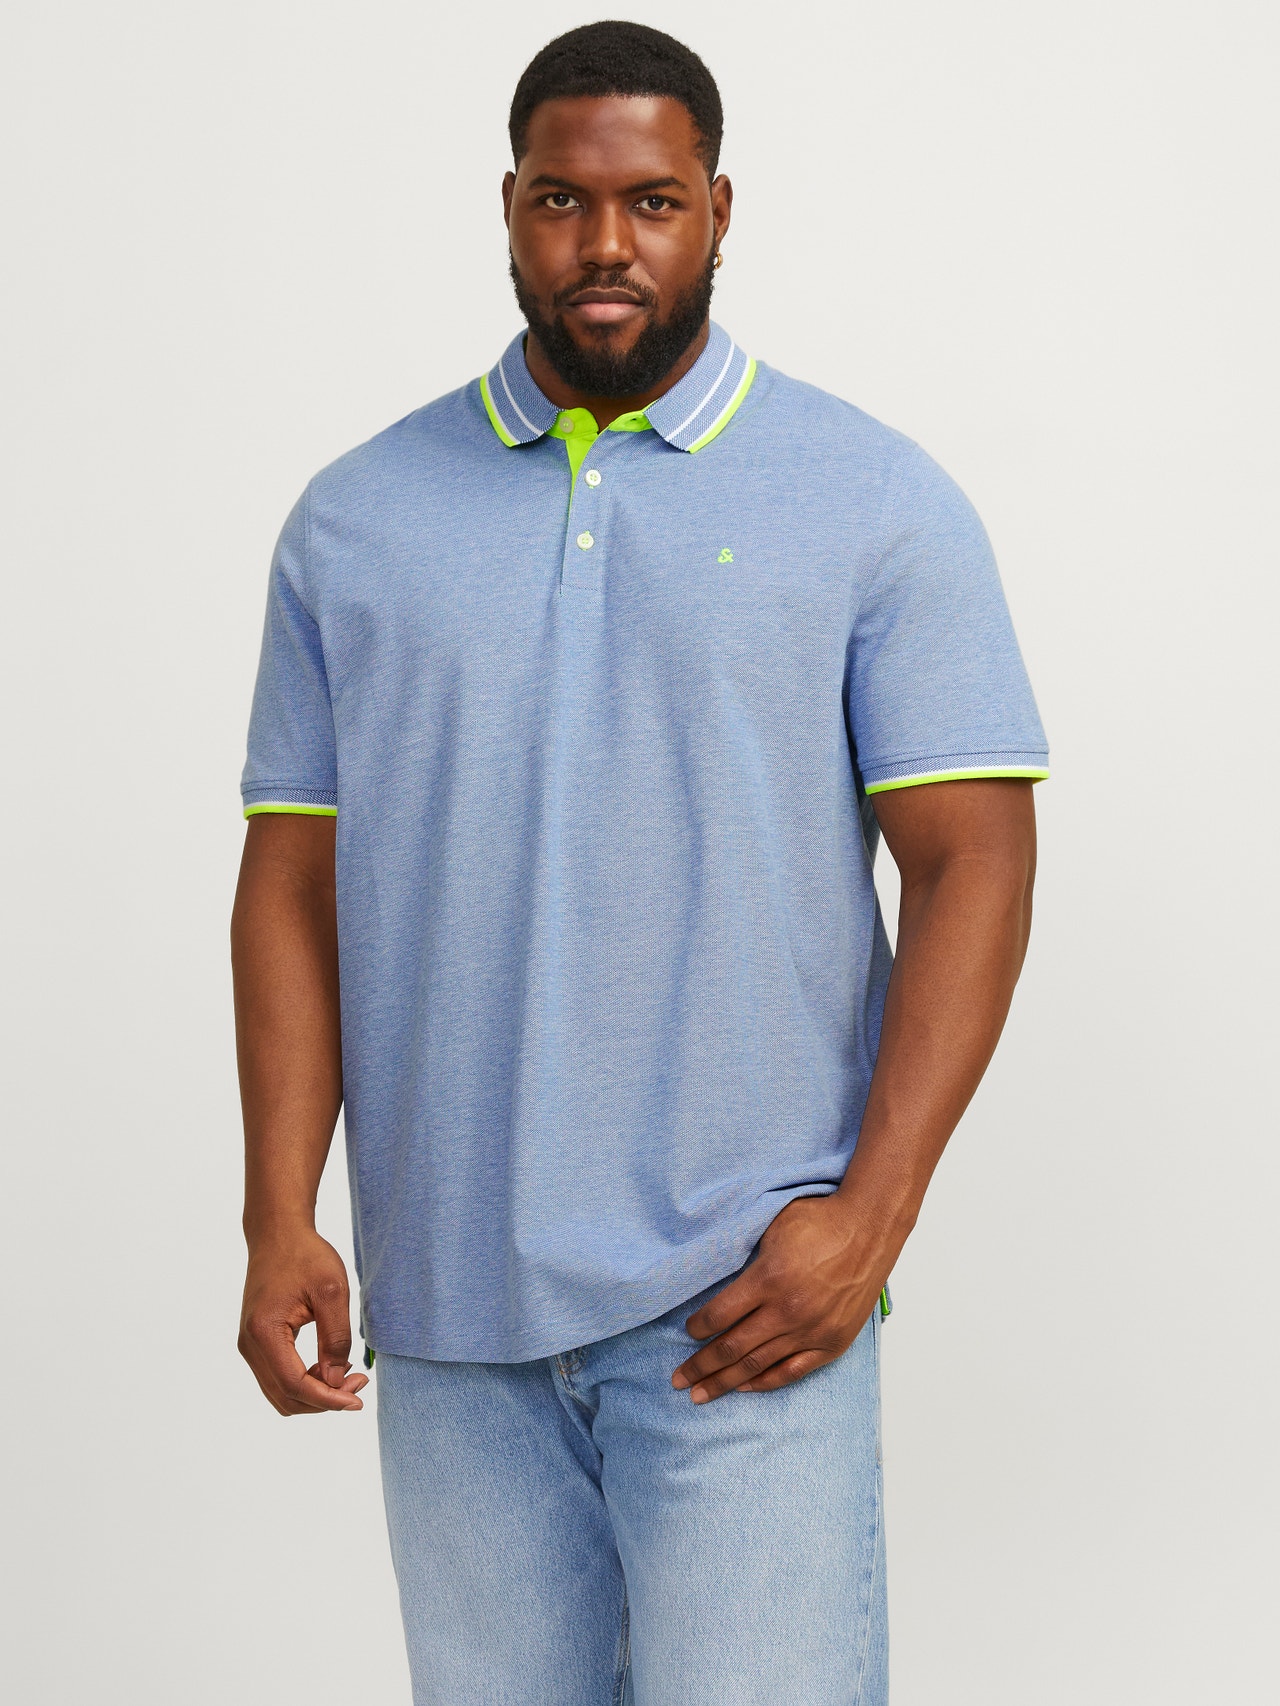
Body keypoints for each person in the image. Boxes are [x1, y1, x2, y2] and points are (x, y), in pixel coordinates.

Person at [232, 20, 1048, 1704]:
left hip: (743, 1307)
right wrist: (276, 1210)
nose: (606, 244)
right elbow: (293, 884)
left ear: (719, 210)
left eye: (653, 201)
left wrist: (871, 1218)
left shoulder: (875, 500)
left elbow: (975, 858)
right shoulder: (354, 519)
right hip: (450, 1309)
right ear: (509, 208)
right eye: (563, 200)